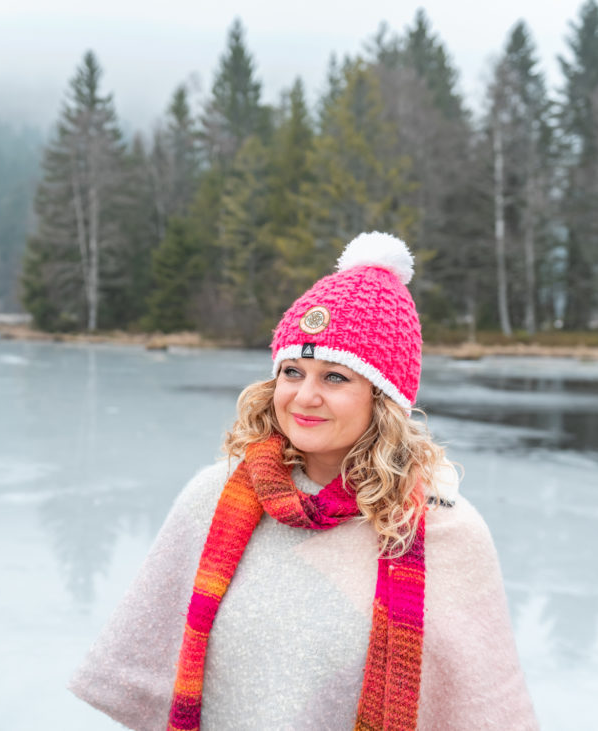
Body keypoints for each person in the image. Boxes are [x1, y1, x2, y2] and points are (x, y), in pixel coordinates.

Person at [70, 232, 537, 730]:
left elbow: (485, 711)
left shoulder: (442, 531)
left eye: (335, 377)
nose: (304, 396)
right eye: (293, 371)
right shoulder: (214, 498)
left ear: (383, 400)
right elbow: (146, 670)